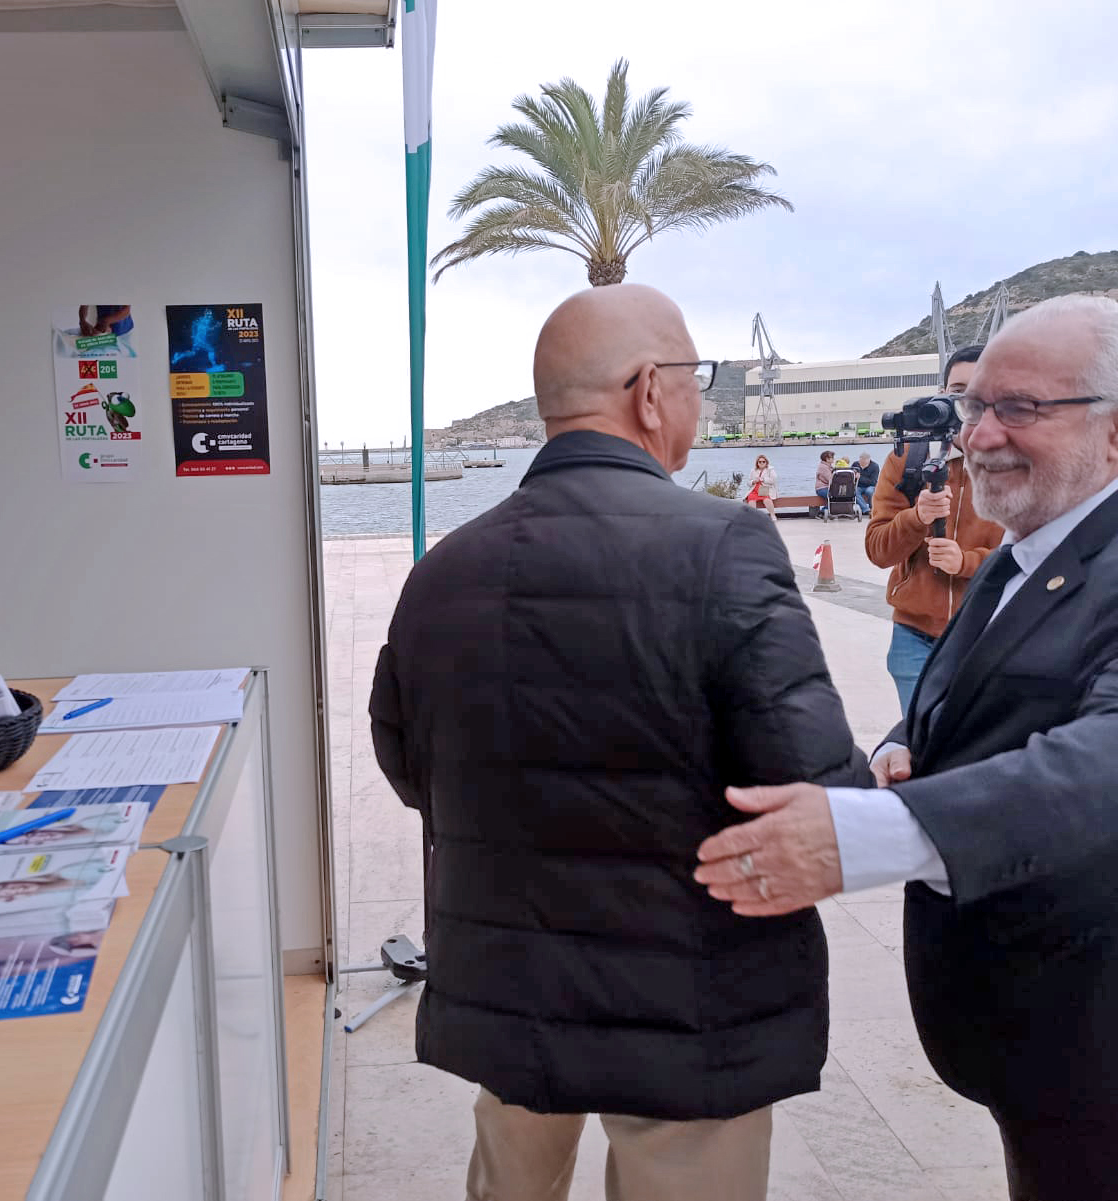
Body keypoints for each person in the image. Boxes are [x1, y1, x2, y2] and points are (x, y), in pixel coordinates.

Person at [694, 294, 1118, 1201]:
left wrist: (873, 833)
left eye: (1020, 408)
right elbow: (973, 693)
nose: (978, 437)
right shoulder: (1029, 548)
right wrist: (908, 746)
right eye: (975, 406)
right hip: (1035, 1026)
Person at [369, 284, 869, 1201]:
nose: (697, 400)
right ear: (648, 390)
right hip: (688, 1003)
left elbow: (408, 764)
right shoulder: (726, 545)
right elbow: (814, 783)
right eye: (694, 379)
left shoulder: (443, 569)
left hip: (510, 984)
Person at [864, 346, 1003, 709]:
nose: (968, 401)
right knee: (921, 750)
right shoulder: (907, 459)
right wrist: (917, 518)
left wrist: (968, 563)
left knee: (983, 753)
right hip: (916, 637)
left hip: (993, 634)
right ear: (942, 395)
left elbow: (1040, 554)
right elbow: (878, 550)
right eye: (957, 390)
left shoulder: (1021, 463)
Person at [743, 453, 778, 519]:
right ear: (757, 463)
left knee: (766, 500)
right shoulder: (753, 470)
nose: (761, 463)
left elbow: (773, 480)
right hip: (754, 489)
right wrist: (753, 481)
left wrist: (763, 479)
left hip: (764, 488)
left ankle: (773, 515)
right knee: (751, 499)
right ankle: (753, 517)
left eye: (763, 462)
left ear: (766, 462)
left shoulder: (770, 470)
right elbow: (748, 482)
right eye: (760, 462)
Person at [814, 449, 835, 518]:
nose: (833, 459)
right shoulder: (823, 467)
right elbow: (830, 479)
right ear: (827, 459)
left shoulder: (828, 466)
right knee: (833, 497)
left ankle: (828, 512)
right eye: (832, 457)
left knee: (836, 496)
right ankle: (821, 512)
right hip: (821, 488)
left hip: (827, 487)